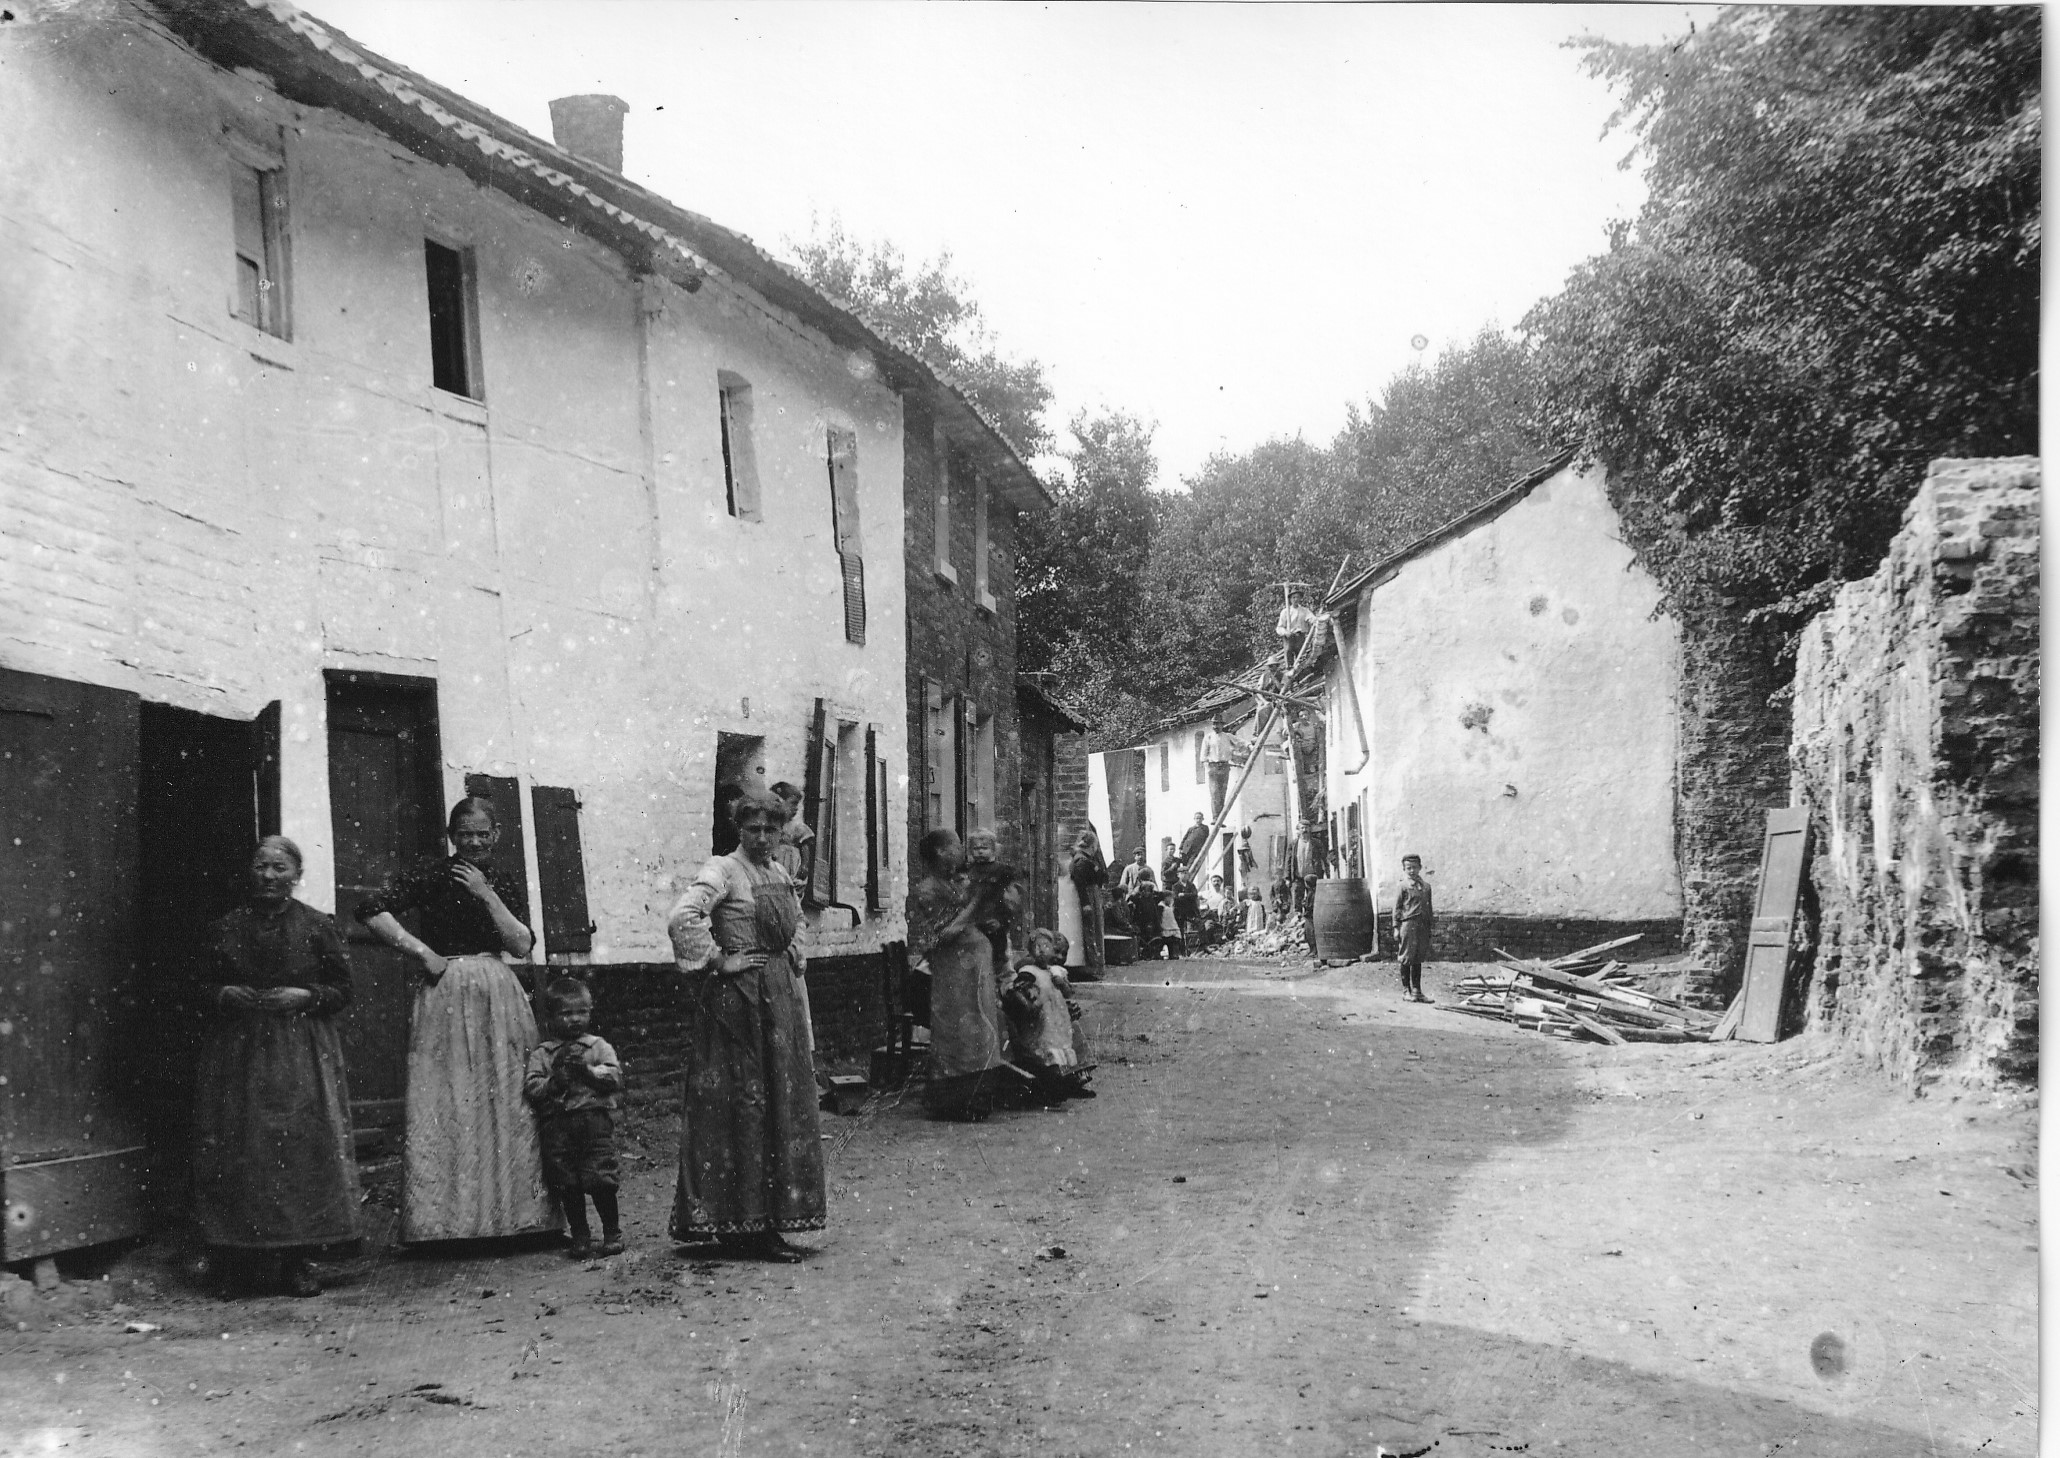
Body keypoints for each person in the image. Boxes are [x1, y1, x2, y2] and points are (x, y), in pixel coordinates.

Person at [357, 797, 555, 1244]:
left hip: (497, 992)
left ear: (497, 835)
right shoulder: (433, 874)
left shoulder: (501, 879)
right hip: (445, 991)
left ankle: (518, 1220)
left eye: (483, 833)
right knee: (448, 1098)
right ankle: (446, 1225)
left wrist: (487, 894)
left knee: (508, 1097)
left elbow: (522, 944)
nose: (475, 842)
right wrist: (421, 952)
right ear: (452, 836)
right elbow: (370, 909)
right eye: (466, 834)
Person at [191, 836, 359, 1296]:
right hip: (237, 1056)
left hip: (299, 1052)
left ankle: (296, 1260)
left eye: (279, 868)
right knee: (238, 1150)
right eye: (261, 865)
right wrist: (224, 994)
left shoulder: (316, 926)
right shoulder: (226, 927)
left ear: (296, 875)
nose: (268, 876)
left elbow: (343, 988)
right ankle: (235, 1262)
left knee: (297, 1149)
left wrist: (307, 995)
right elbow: (195, 986)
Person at [666, 788, 825, 1259]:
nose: (762, 837)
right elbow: (683, 916)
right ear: (739, 829)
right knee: (745, 1104)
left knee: (780, 1102)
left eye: (771, 829)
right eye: (753, 828)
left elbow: (797, 922)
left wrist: (791, 953)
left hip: (779, 1000)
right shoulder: (723, 870)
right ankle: (744, 1224)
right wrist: (719, 960)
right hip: (738, 1005)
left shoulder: (778, 870)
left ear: (781, 832)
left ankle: (772, 1215)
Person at [906, 828, 1005, 1120]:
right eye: (957, 846)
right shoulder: (927, 890)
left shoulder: (952, 883)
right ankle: (955, 1101)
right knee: (958, 1030)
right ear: (941, 852)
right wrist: (976, 904)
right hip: (954, 973)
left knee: (980, 1027)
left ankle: (978, 1098)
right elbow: (942, 934)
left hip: (972, 970)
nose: (963, 851)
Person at [524, 978, 624, 1259]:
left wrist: (589, 1073)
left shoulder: (597, 1047)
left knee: (600, 1177)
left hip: (593, 1123)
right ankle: (580, 1235)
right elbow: (532, 1087)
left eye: (581, 1012)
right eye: (566, 1014)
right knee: (566, 1182)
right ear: (552, 1017)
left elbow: (615, 1076)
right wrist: (555, 1082)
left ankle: (611, 1232)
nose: (574, 1020)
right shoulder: (543, 1054)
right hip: (558, 1126)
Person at [1000, 929, 1094, 1102]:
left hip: (1052, 1016)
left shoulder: (1052, 971)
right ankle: (1053, 1083)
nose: (1055, 956)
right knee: (1049, 1049)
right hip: (1034, 1016)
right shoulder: (1028, 968)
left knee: (1068, 1034)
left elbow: (1063, 991)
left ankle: (1073, 1077)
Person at [962, 827, 1023, 978]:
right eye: (976, 848)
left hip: (995, 922)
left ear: (994, 849)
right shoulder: (967, 870)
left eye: (984, 848)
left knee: (999, 958)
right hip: (974, 923)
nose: (980, 851)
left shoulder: (1003, 872)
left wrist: (1002, 920)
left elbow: (1011, 900)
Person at [1067, 828, 1108, 980]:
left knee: (1094, 930)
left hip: (1093, 896)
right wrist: (1086, 903)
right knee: (1092, 931)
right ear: (1092, 845)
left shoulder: (1085, 859)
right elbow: (1081, 883)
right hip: (1090, 897)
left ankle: (1096, 966)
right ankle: (1093, 967)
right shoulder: (1082, 861)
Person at [1395, 854, 1435, 1003]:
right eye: (1408, 868)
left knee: (1418, 957)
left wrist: (1430, 925)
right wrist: (1396, 927)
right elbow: (1397, 908)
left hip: (1422, 925)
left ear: (1420, 868)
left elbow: (1429, 907)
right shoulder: (1403, 886)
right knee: (1406, 957)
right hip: (1408, 924)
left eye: (1414, 867)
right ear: (1404, 869)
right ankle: (1406, 990)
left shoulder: (1426, 887)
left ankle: (1417, 991)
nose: (1411, 871)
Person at [770, 781, 815, 886]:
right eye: (793, 803)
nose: (796, 808)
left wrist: (805, 865)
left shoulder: (796, 827)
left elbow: (805, 845)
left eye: (797, 804)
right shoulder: (773, 825)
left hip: (789, 863)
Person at [1200, 719, 1234, 820]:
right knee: (1214, 792)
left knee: (1222, 792)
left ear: (1222, 725)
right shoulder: (1208, 737)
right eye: (1214, 724)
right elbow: (1203, 755)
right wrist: (1207, 765)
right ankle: (1215, 817)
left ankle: (1221, 818)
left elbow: (1239, 742)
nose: (1215, 726)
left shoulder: (1227, 736)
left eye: (1217, 724)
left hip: (1224, 766)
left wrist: (1249, 745)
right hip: (1213, 767)